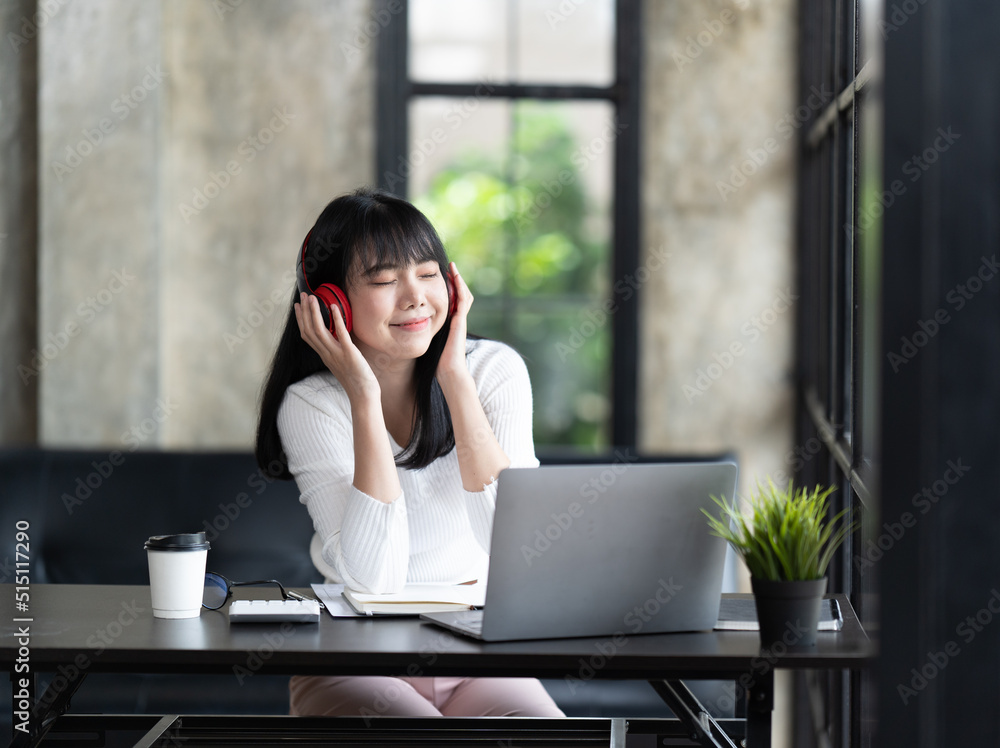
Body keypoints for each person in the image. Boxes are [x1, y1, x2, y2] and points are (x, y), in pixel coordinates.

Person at [255, 187, 565, 719]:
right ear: (331, 301)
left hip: (479, 652)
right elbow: (375, 581)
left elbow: (514, 551)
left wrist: (456, 383)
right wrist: (363, 396)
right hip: (355, 657)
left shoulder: (495, 371)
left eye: (427, 273)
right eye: (383, 279)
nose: (416, 296)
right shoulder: (312, 404)